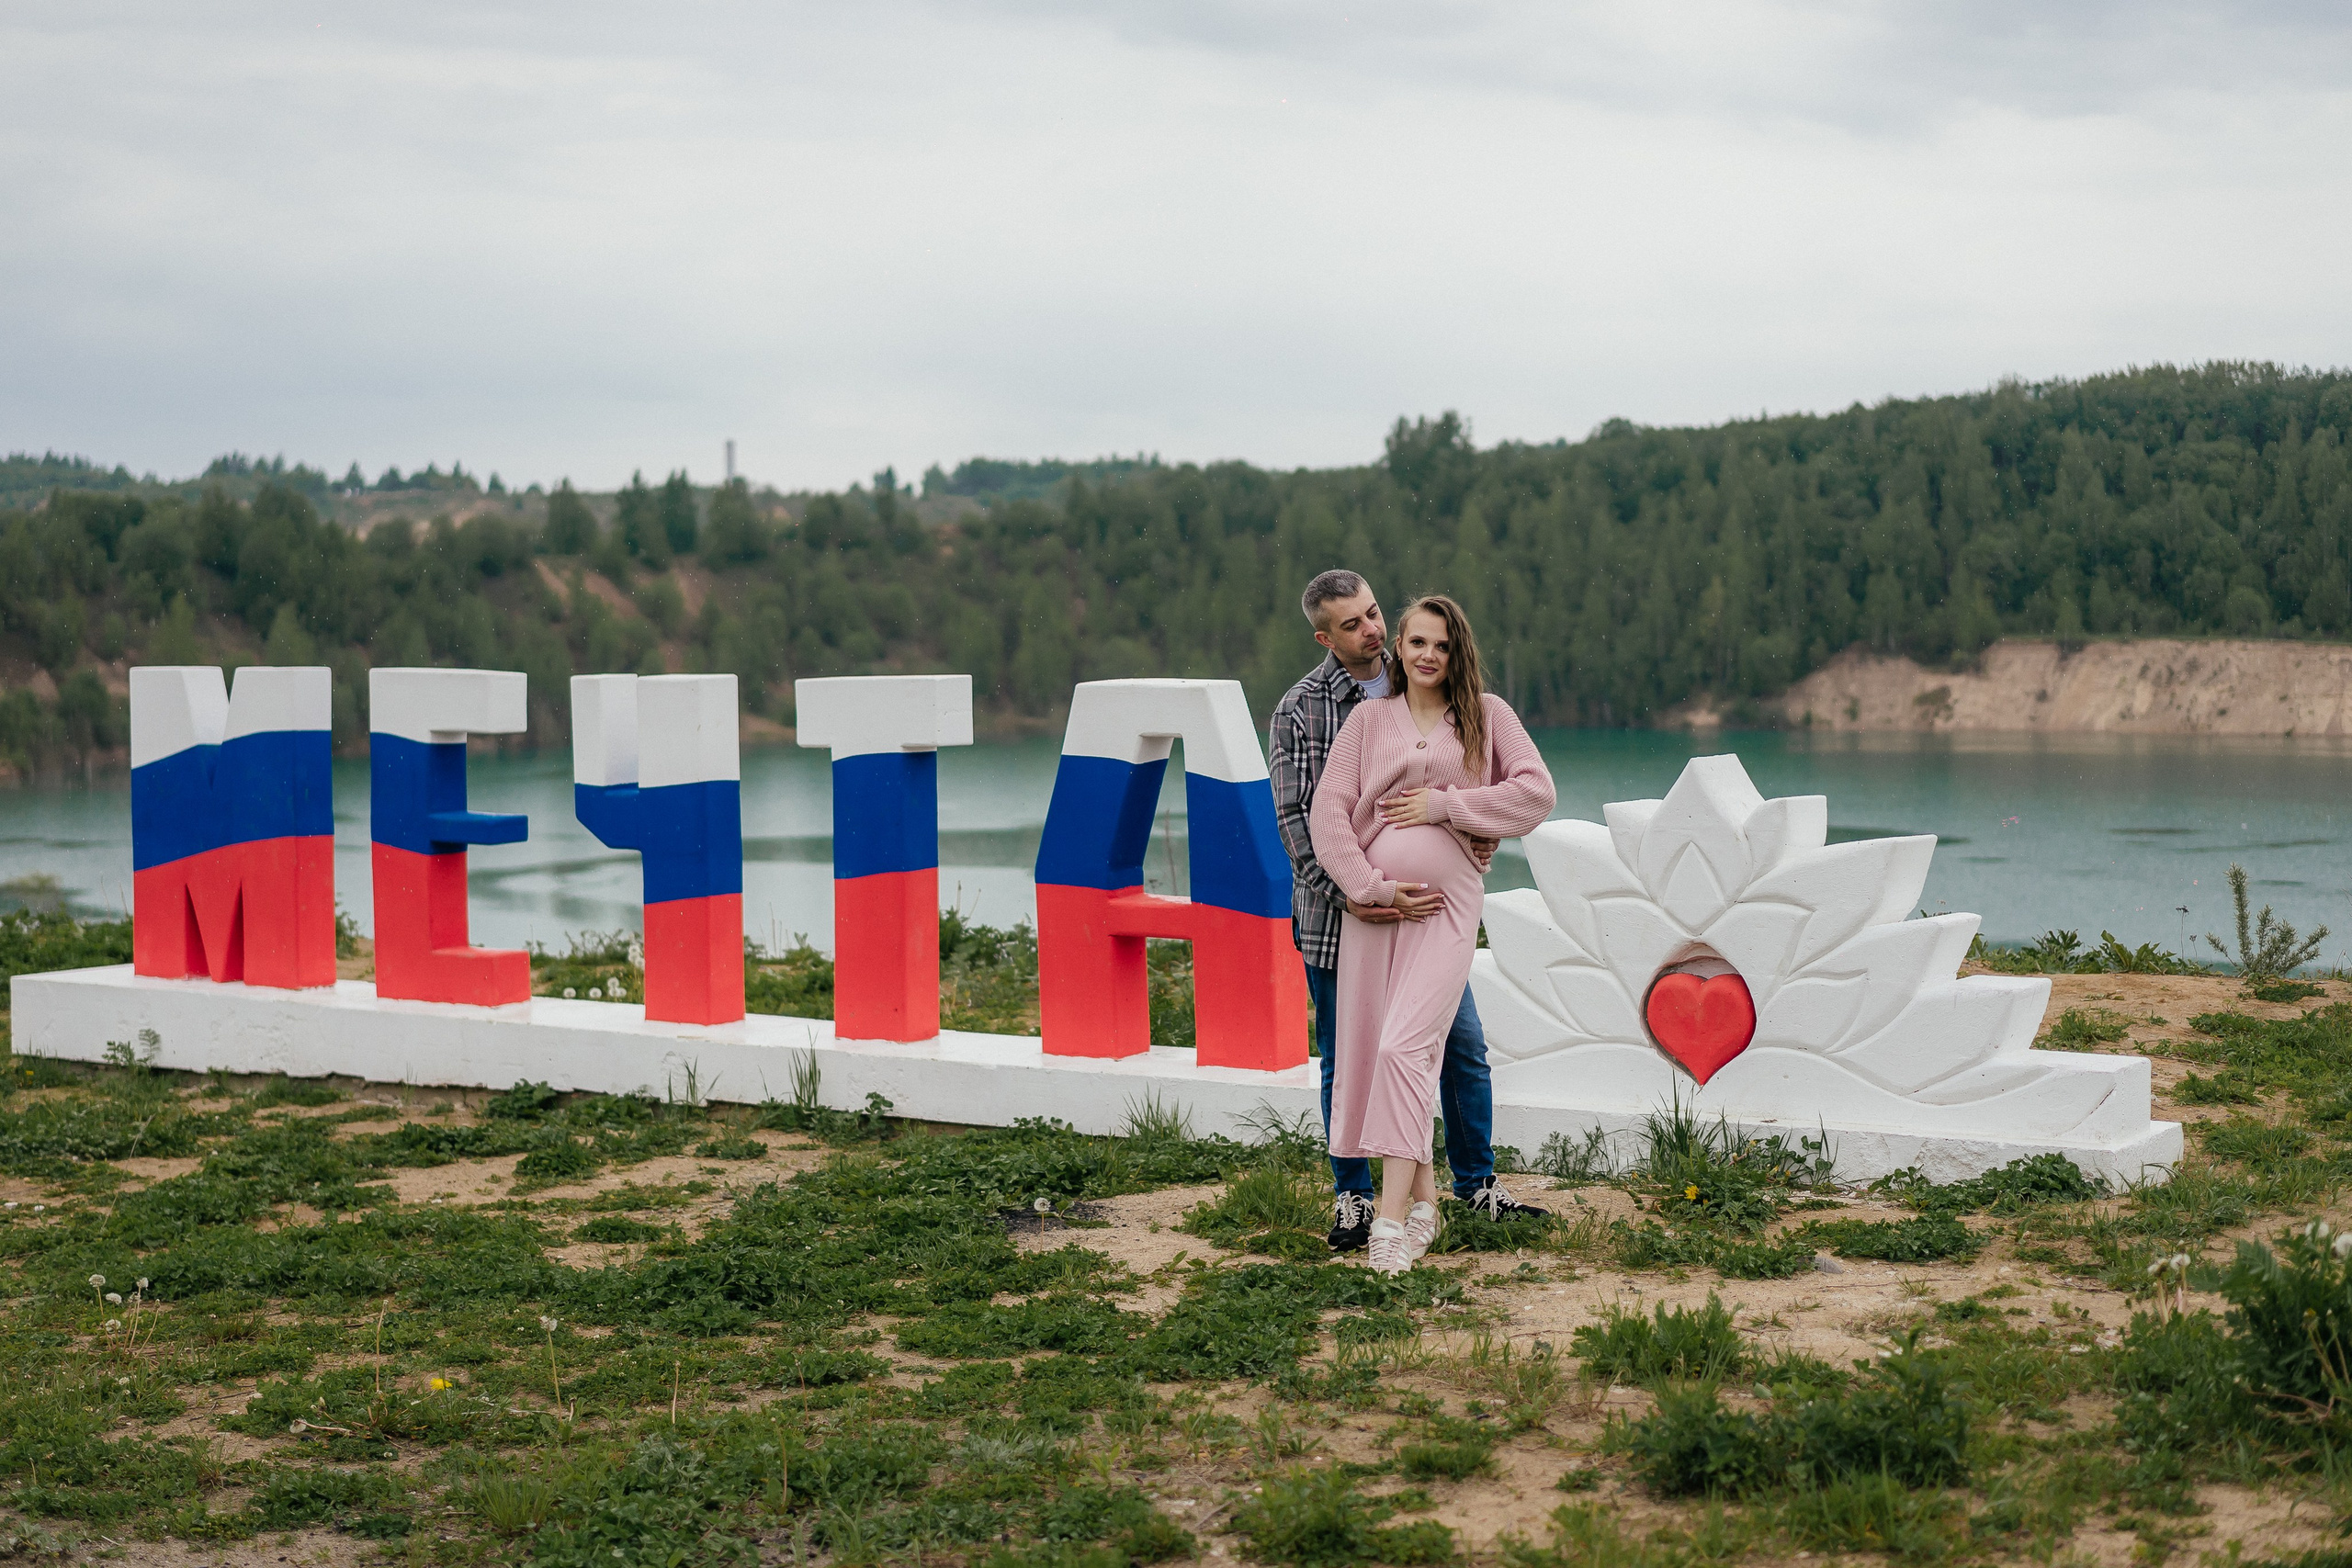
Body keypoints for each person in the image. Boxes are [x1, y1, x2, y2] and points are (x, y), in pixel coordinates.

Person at [1269, 570, 1551, 1256]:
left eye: (1373, 615)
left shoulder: (1469, 705)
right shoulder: (1309, 709)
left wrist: (1456, 812)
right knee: (1358, 1053)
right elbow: (1304, 818)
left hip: (1440, 915)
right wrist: (1365, 890)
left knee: (1450, 1048)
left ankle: (1464, 1186)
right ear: (1325, 636)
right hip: (1348, 918)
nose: (1371, 631)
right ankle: (1365, 1200)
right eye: (1354, 624)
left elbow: (1525, 791)